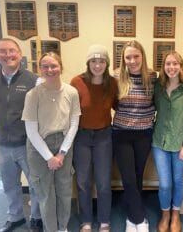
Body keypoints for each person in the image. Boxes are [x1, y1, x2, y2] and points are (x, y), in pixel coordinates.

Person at [21, 52, 81, 232]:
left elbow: (74, 124)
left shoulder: (71, 92)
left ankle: (63, 228)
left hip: (64, 144)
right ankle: (51, 229)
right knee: (46, 194)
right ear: (40, 69)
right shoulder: (33, 95)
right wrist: (49, 157)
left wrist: (61, 153)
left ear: (61, 67)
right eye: (45, 66)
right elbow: (31, 130)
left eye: (53, 66)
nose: (49, 70)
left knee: (63, 191)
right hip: (39, 148)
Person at [0, 38, 43, 232]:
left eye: (12, 51)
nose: (8, 55)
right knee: (9, 185)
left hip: (27, 145)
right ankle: (16, 217)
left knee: (35, 184)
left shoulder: (34, 81)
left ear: (19, 54)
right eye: (2, 51)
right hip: (2, 145)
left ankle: (37, 217)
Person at [70, 45, 118, 232]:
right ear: (88, 63)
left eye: (102, 61)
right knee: (82, 181)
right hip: (81, 136)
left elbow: (118, 106)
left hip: (104, 136)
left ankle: (104, 220)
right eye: (94, 61)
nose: (97, 65)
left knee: (104, 181)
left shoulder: (112, 83)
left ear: (106, 64)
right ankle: (86, 221)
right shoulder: (77, 82)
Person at [152, 51, 183, 232]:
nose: (171, 67)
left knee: (178, 180)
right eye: (167, 64)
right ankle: (165, 215)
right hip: (159, 142)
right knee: (165, 183)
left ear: (181, 66)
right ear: (163, 67)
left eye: (175, 64)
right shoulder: (158, 85)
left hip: (180, 143)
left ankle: (175, 216)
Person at [112, 40, 157, 232]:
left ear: (142, 56)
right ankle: (139, 219)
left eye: (136, 56)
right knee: (128, 178)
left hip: (144, 134)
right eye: (128, 57)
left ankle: (132, 217)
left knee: (138, 176)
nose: (132, 61)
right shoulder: (116, 77)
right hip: (121, 133)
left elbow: (158, 102)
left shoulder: (153, 77)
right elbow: (113, 103)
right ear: (123, 59)